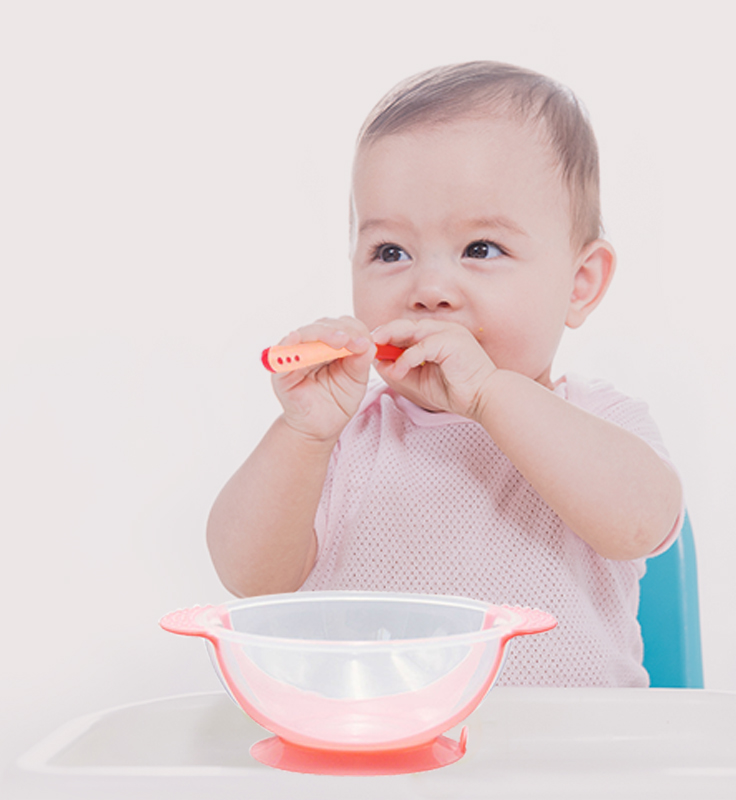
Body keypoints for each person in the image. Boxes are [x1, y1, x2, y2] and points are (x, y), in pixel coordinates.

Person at [207, 61, 684, 687]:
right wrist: (302, 433)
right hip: (384, 758)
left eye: (481, 249)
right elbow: (250, 576)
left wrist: (489, 394)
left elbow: (642, 524)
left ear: (579, 284)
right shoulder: (344, 440)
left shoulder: (599, 422)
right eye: (390, 252)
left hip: (568, 759)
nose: (429, 289)